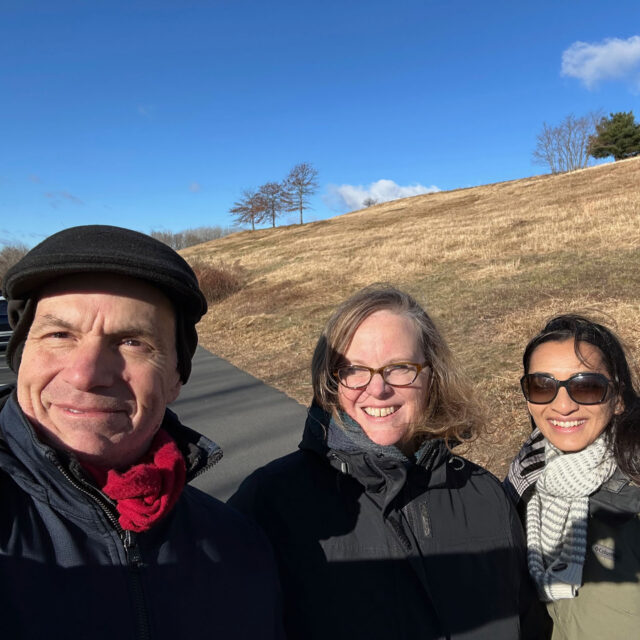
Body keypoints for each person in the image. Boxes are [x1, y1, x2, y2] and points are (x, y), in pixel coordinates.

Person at [0, 225, 283, 639]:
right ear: (22, 358)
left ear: (175, 380)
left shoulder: (239, 544)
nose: (87, 374)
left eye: (132, 342)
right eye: (60, 335)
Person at [229, 285, 543, 639]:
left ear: (431, 376)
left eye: (399, 368)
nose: (377, 389)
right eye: (353, 370)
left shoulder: (485, 496)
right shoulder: (271, 503)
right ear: (330, 382)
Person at [505, 314, 640, 639]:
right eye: (542, 386)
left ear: (618, 397)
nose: (562, 405)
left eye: (586, 387)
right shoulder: (522, 479)